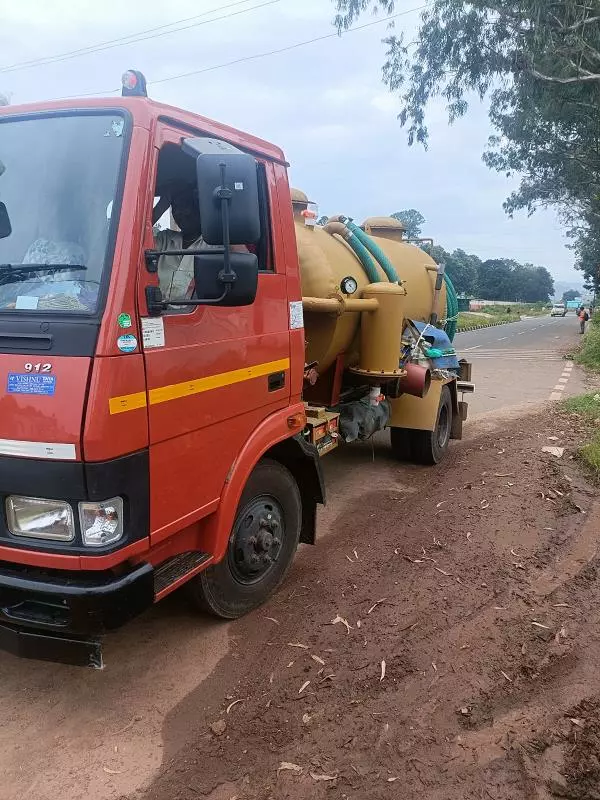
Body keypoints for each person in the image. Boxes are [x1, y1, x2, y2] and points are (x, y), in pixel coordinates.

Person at [154, 184, 247, 303]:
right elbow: (135, 236)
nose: (179, 212)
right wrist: (164, 202)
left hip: (195, 315)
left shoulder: (215, 242)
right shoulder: (165, 239)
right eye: (174, 207)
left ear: (199, 208)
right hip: (159, 314)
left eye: (185, 205)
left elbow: (243, 261)